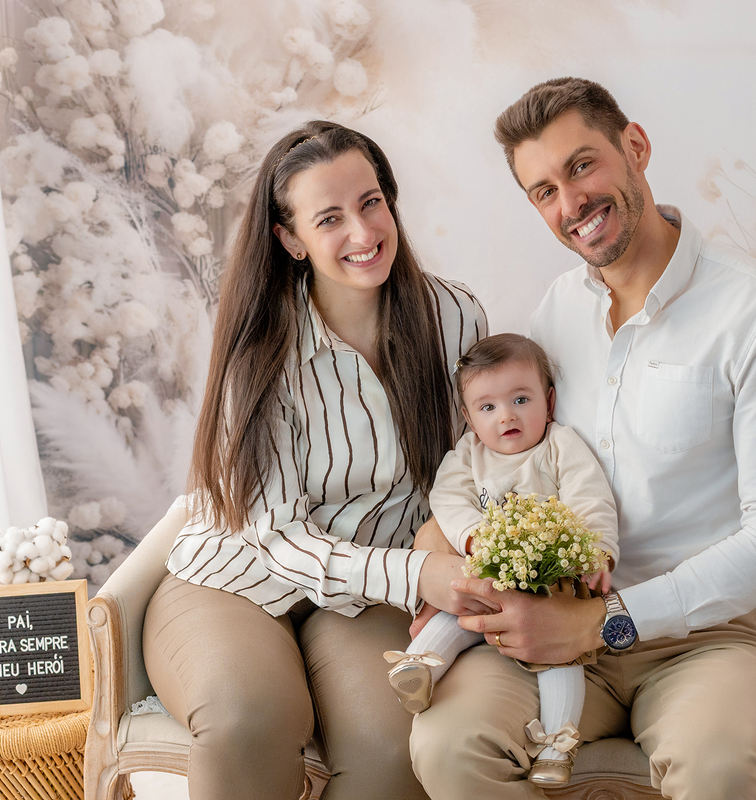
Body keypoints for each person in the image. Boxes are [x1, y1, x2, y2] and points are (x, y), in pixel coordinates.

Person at [410, 78, 756, 800]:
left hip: (709, 636)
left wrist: (604, 622)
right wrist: (443, 553)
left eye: (582, 166)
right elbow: (506, 463)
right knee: (448, 746)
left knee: (722, 769)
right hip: (549, 617)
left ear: (635, 146)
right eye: (544, 191)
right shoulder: (556, 312)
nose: (571, 203)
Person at [141, 120, 488, 800]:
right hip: (238, 579)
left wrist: (449, 541)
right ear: (290, 238)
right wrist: (420, 572)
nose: (362, 232)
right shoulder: (261, 351)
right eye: (329, 218)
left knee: (395, 747)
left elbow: (472, 463)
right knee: (250, 721)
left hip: (367, 594)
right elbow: (275, 538)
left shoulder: (454, 316)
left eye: (371, 202)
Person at [384, 333, 618, 788]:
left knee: (558, 656)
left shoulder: (560, 446)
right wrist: (475, 538)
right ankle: (420, 666)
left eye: (521, 400)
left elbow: (591, 499)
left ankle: (557, 747)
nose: (506, 415)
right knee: (458, 613)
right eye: (487, 407)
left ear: (549, 402)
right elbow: (448, 500)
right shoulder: (468, 455)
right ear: (469, 418)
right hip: (489, 576)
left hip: (551, 587)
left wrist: (596, 552)